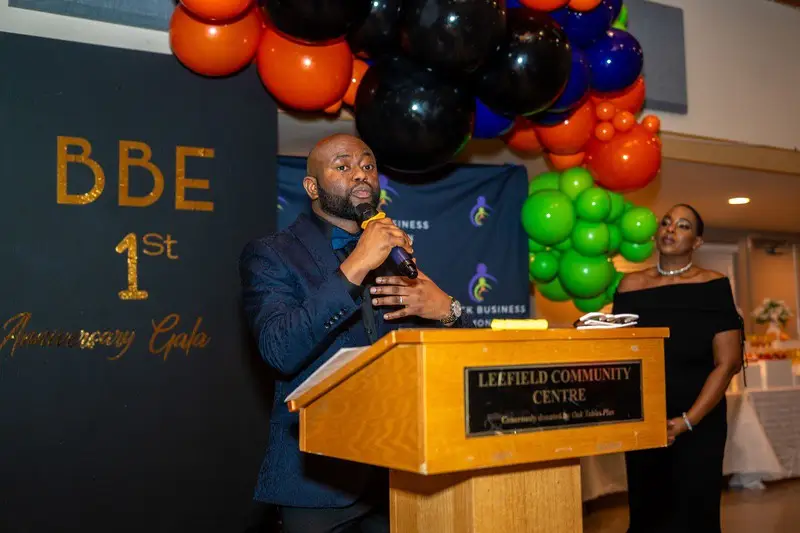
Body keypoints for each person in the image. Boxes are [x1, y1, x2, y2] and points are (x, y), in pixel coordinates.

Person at [239, 134, 467, 533]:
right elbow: (279, 349)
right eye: (343, 167)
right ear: (312, 187)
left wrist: (447, 311)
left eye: (368, 165)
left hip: (396, 473)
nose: (360, 174)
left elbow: (441, 363)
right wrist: (356, 265)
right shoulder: (271, 254)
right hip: (317, 481)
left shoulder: (396, 257)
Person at [612, 204, 744, 533]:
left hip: (700, 419)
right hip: (646, 420)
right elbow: (621, 356)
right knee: (647, 515)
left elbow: (728, 363)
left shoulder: (714, 286)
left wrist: (687, 421)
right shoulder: (630, 286)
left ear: (697, 242)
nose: (671, 229)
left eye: (683, 226)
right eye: (667, 222)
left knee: (694, 516)